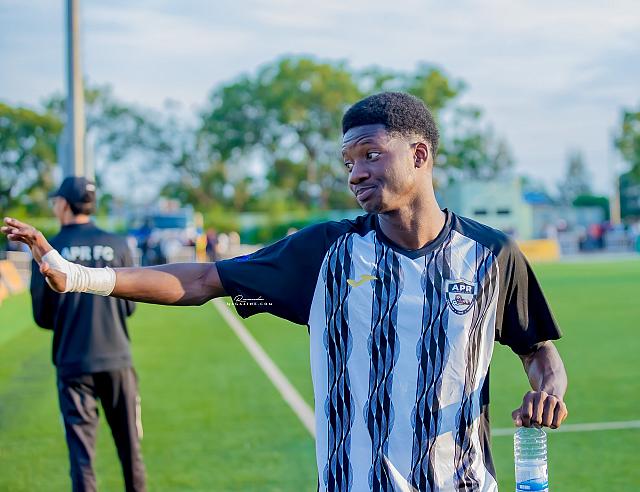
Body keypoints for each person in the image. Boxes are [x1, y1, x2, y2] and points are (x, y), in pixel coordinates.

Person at [4, 93, 568, 491]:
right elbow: (204, 279)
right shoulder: (325, 253)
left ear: (419, 155)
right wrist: (79, 276)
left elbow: (538, 350)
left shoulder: (493, 255)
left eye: (370, 154)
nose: (355, 173)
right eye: (348, 161)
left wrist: (547, 391)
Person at [28, 176, 146, 492]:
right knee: (131, 450)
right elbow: (130, 307)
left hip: (73, 363)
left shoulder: (49, 250)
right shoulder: (118, 244)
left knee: (82, 458)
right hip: (117, 360)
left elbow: (42, 317)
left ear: (64, 205)